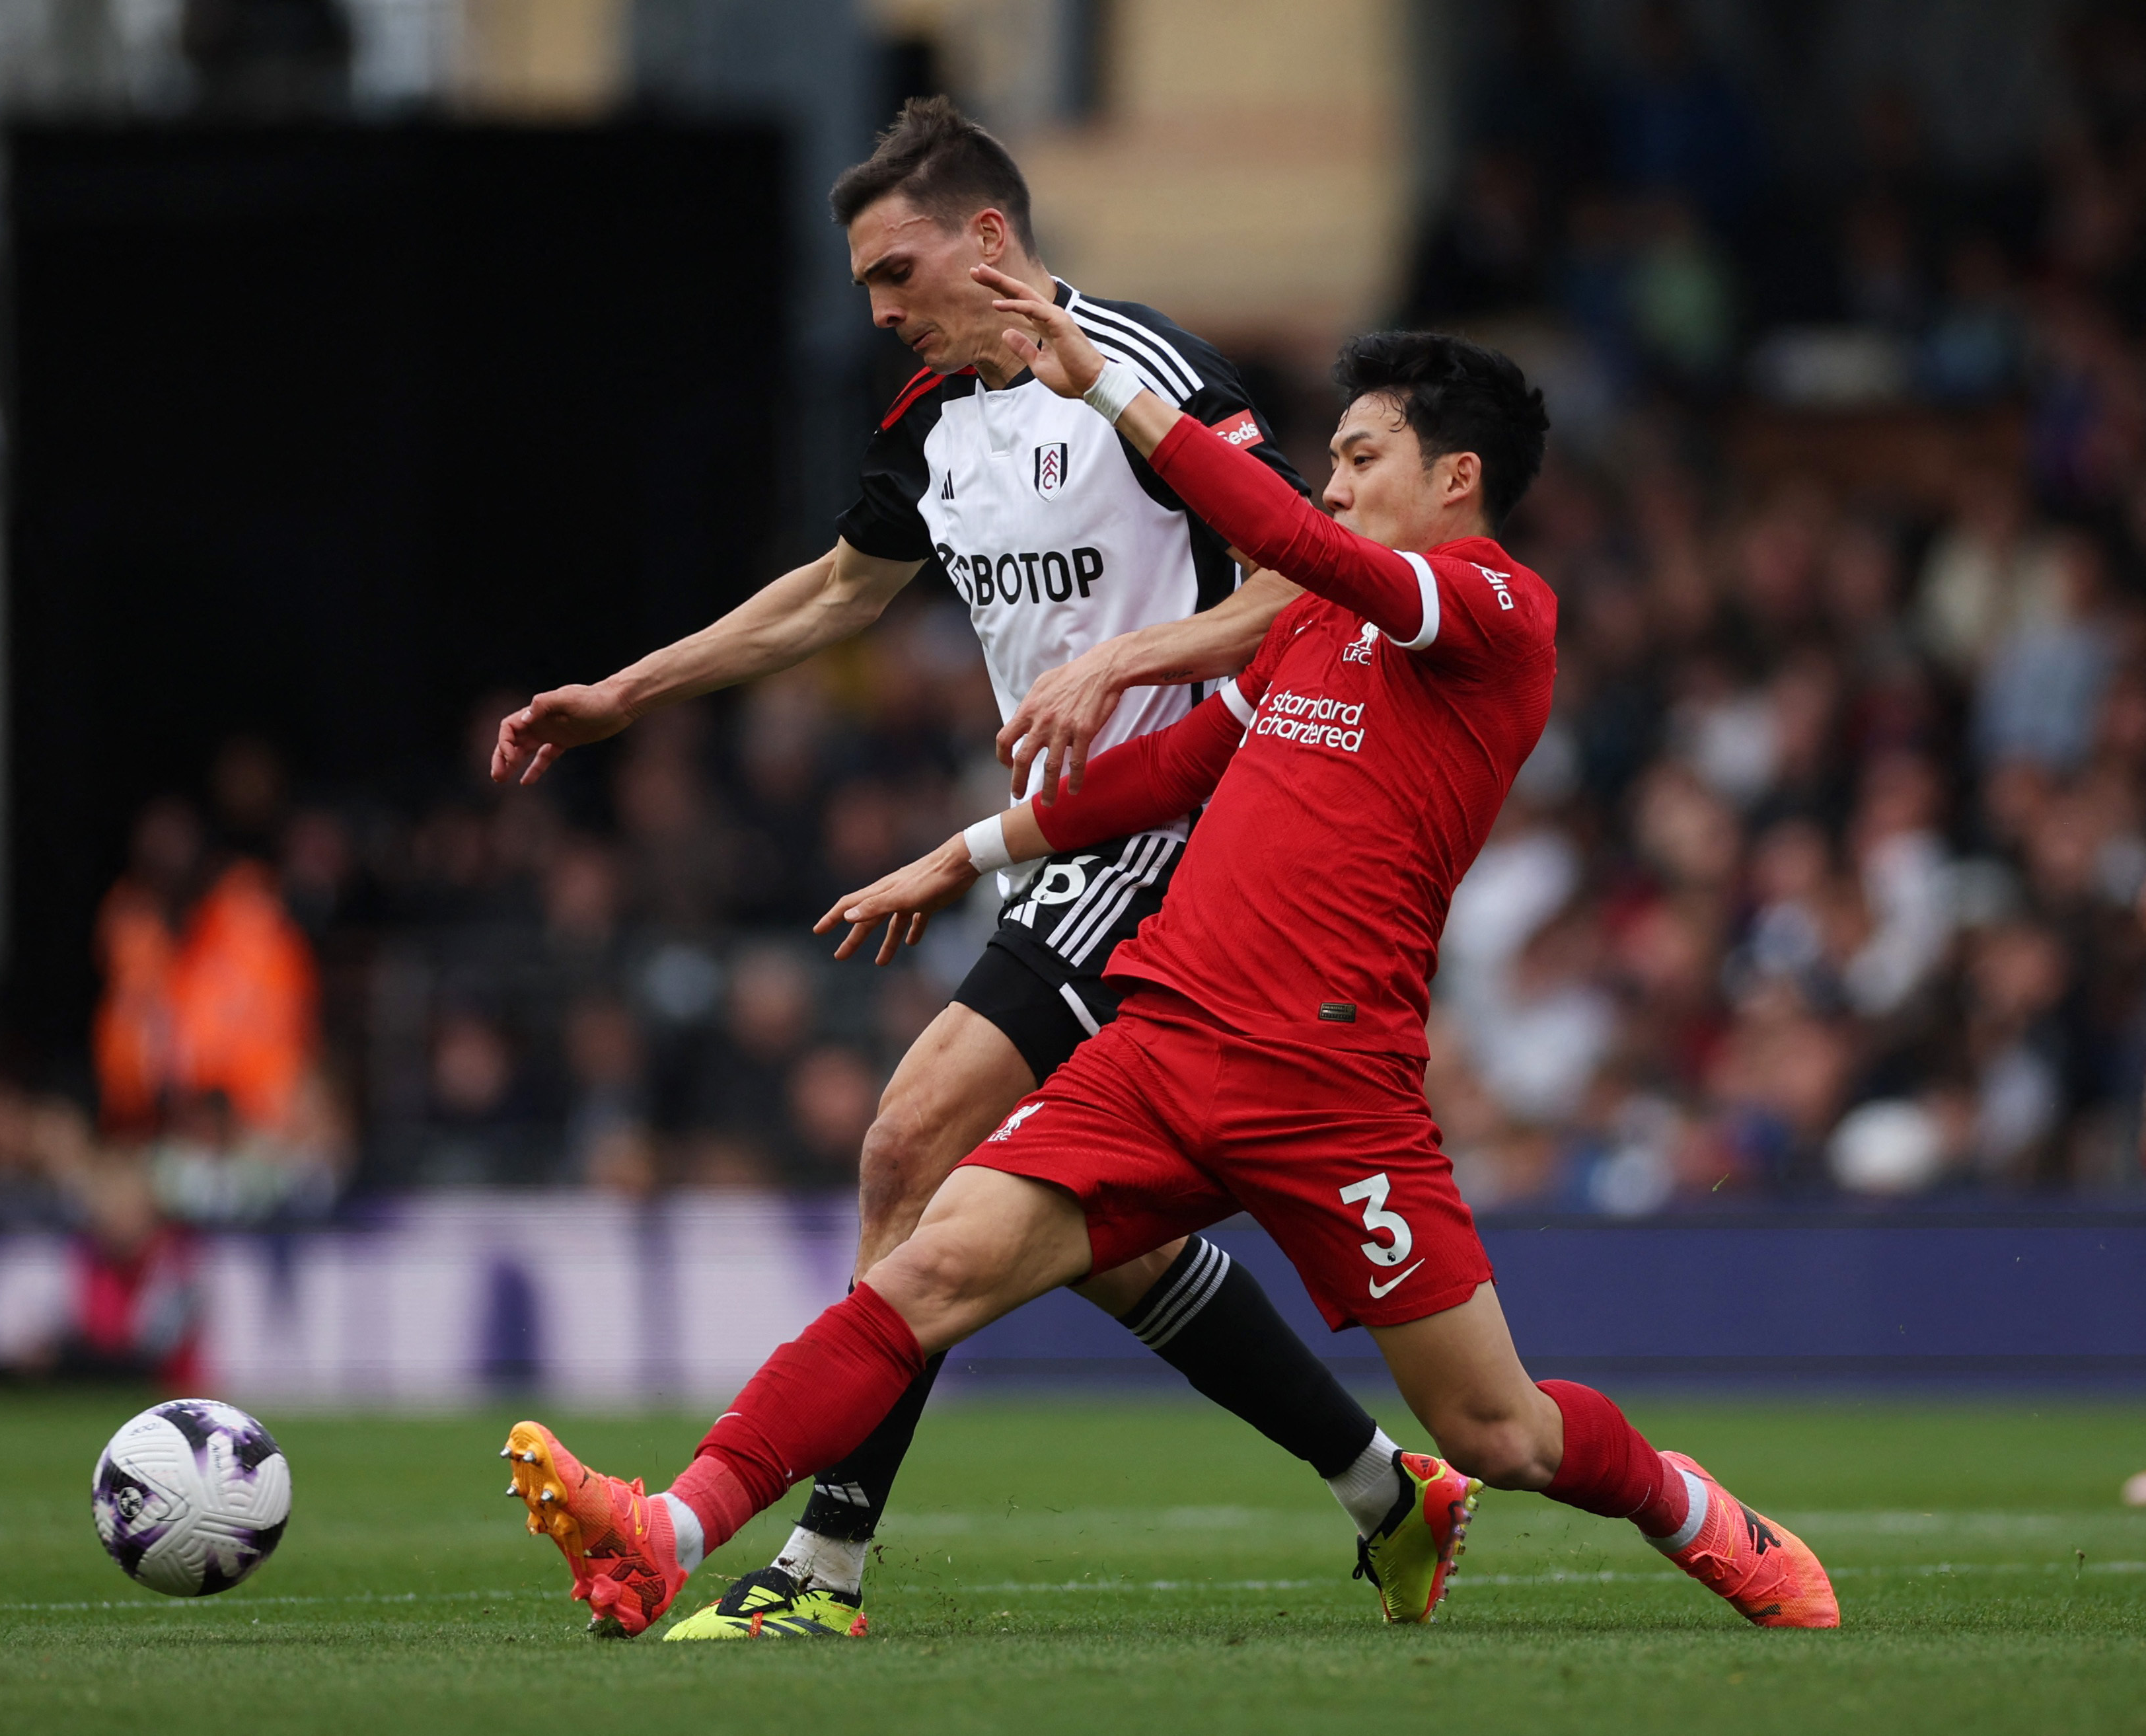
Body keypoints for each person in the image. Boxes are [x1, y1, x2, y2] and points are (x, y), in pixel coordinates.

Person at [498, 289, 1840, 1638]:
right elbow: (1174, 765)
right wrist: (962, 853)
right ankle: (667, 1530)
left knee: (1500, 1432)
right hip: (1160, 1045)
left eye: (1359, 456)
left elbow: (1284, 536)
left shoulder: (1498, 610)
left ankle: (1689, 1513)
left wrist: (1100, 385)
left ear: (1456, 475)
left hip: (1330, 1085)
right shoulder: (1317, 628)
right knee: (924, 1266)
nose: (1329, 483)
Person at [490, 98, 1456, 1636]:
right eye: (865, 285)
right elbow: (826, 598)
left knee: (906, 1144)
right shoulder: (934, 431)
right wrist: (626, 693)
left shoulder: (1137, 369)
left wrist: (1129, 660)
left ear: (989, 242)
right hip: (1061, 852)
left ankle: (817, 1570)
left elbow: (1295, 584)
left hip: (1193, 827)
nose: (877, 311)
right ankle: (1387, 1495)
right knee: (1070, 1239)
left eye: (895, 272)